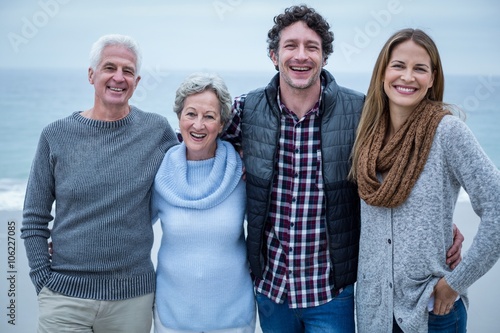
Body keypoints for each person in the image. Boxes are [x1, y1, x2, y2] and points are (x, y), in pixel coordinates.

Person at [222, 5, 464, 333]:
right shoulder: (246, 110)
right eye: (290, 46)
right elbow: (198, 142)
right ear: (273, 55)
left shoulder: (361, 112)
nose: (301, 56)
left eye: (312, 47)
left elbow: (400, 168)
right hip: (271, 290)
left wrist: (442, 226)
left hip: (332, 295)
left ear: (325, 56)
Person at [20, 34, 179, 332]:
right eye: (109, 68)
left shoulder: (156, 131)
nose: (118, 77)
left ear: (137, 81)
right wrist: (43, 279)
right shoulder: (56, 135)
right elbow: (33, 218)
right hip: (64, 299)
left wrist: (236, 150)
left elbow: (193, 159)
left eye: (128, 71)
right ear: (91, 75)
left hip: (132, 300)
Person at [350, 28, 500, 333]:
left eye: (419, 68)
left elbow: (497, 208)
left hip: (432, 313)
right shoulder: (365, 136)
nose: (407, 77)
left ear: (432, 78)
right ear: (382, 73)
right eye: (398, 66)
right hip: (374, 315)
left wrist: (455, 283)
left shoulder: (448, 132)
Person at [151, 72, 256, 333]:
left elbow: (270, 226)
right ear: (179, 118)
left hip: (233, 320)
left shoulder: (240, 172)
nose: (198, 125)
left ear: (221, 124)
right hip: (172, 319)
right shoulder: (160, 173)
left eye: (209, 116)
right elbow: (129, 224)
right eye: (191, 114)